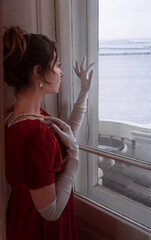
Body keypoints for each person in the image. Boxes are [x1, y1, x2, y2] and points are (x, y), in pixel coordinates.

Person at [3, 26, 94, 240]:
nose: (61, 73)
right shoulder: (33, 131)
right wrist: (75, 157)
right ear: (38, 72)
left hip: (25, 214)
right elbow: (51, 213)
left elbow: (63, 136)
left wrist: (83, 93)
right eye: (57, 65)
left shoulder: (18, 116)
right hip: (41, 226)